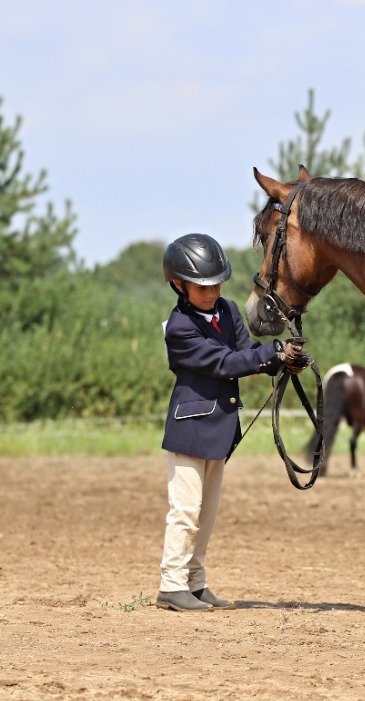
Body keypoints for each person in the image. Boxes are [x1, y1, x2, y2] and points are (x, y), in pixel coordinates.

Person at [156, 233, 309, 612]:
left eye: (216, 284)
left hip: (221, 428)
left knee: (205, 514)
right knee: (185, 510)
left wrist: (281, 359)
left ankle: (195, 582)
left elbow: (246, 352)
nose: (211, 292)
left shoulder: (227, 311)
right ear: (179, 284)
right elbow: (222, 362)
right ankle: (170, 584)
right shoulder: (179, 327)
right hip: (190, 428)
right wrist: (270, 353)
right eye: (201, 286)